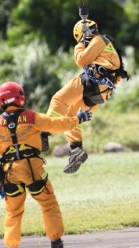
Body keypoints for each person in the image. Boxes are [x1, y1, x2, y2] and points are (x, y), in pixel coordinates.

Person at [0, 80, 92, 248]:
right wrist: (79, 119)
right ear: (20, 97)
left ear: (0, 101)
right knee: (48, 204)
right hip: (33, 170)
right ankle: (56, 247)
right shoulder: (32, 117)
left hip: (10, 174)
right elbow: (57, 125)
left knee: (13, 212)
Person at [46, 17, 129, 174]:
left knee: (59, 99)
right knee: (72, 114)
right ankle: (76, 148)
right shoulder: (106, 47)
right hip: (102, 93)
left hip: (93, 82)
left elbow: (81, 60)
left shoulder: (99, 40)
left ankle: (45, 131)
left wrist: (79, 45)